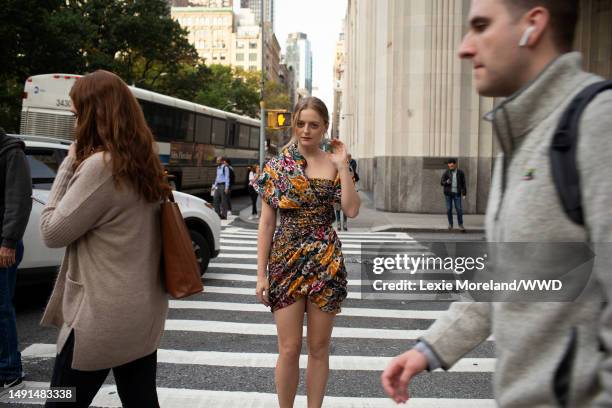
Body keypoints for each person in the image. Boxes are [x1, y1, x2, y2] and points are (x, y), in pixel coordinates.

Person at [382, 1, 612, 407]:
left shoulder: (598, 124)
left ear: (532, 26)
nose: (465, 48)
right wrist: (431, 348)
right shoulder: (522, 140)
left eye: (482, 26)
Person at [39, 70, 170, 407]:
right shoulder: (144, 162)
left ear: (92, 114)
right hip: (141, 311)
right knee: (140, 399)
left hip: (100, 315)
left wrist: (69, 164)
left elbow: (52, 231)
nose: (73, 123)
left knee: (61, 400)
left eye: (75, 114)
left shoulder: (101, 166)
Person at [252, 97, 361, 408]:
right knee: (288, 348)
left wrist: (343, 166)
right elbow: (266, 223)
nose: (306, 130)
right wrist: (261, 274)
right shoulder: (277, 166)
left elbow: (351, 210)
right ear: (294, 125)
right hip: (286, 260)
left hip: (325, 261)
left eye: (314, 124)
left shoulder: (335, 163)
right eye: (301, 123)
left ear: (325, 127)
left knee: (319, 347)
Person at [0, 127, 32, 396]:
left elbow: (18, 200)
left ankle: (10, 373)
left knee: (0, 307)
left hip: (2, 244)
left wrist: (8, 241)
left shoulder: (11, 151)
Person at [440, 158, 467, 231]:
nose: (451, 165)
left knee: (459, 209)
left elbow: (463, 183)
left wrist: (464, 193)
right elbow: (441, 182)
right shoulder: (446, 172)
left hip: (457, 193)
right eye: (449, 164)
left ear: (455, 164)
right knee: (449, 209)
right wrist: (446, 182)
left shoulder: (460, 172)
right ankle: (450, 224)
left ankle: (460, 225)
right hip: (448, 194)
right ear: (448, 165)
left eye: (452, 163)